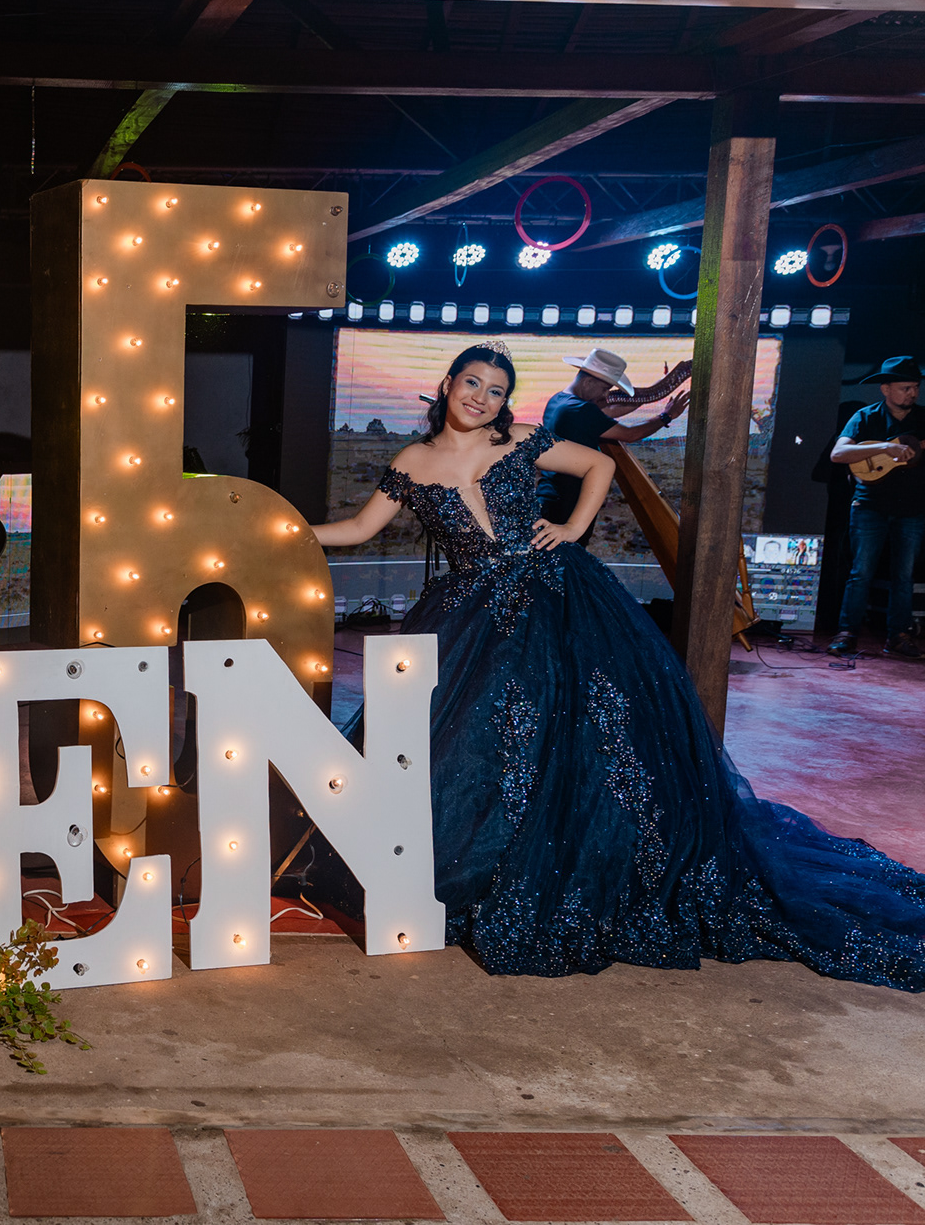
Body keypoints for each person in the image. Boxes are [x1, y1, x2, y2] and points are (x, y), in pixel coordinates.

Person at [314, 342, 925, 991]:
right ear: (447, 384)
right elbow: (357, 528)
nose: (481, 398)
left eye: (495, 391)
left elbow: (598, 464)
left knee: (577, 731)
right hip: (470, 610)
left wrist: (573, 528)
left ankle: (564, 859)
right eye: (472, 383)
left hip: (553, 593)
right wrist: (286, 527)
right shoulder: (411, 461)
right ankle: (463, 858)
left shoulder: (520, 439)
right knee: (471, 740)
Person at [827, 356, 924, 659]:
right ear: (885, 389)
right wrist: (885, 446)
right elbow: (838, 454)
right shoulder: (865, 417)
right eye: (905, 388)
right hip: (869, 505)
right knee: (862, 572)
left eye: (915, 387)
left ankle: (899, 636)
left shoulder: (923, 418)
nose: (912, 393)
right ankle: (847, 633)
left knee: (904, 576)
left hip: (912, 507)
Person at [535, 347, 689, 539]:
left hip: (551, 494)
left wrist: (653, 393)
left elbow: (609, 413)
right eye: (605, 389)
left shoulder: (559, 400)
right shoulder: (580, 410)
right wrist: (666, 416)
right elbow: (630, 434)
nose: (606, 395)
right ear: (588, 382)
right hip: (569, 502)